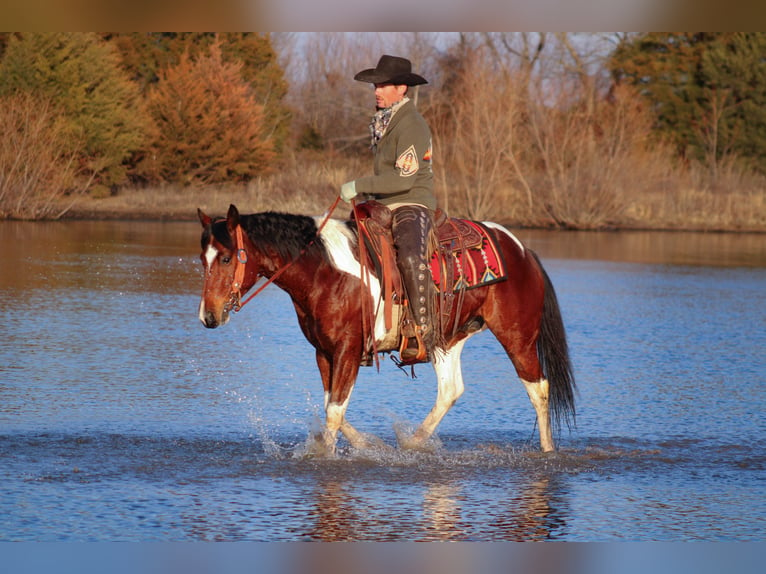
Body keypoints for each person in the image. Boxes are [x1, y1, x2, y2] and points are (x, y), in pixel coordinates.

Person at [339, 54, 438, 363]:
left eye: (382, 86)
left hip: (412, 201)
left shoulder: (411, 124)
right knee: (349, 251)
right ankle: (364, 328)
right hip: (383, 204)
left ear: (402, 89)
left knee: (409, 257)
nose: (376, 91)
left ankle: (423, 331)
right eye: (376, 86)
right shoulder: (385, 120)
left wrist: (358, 185)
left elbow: (403, 178)